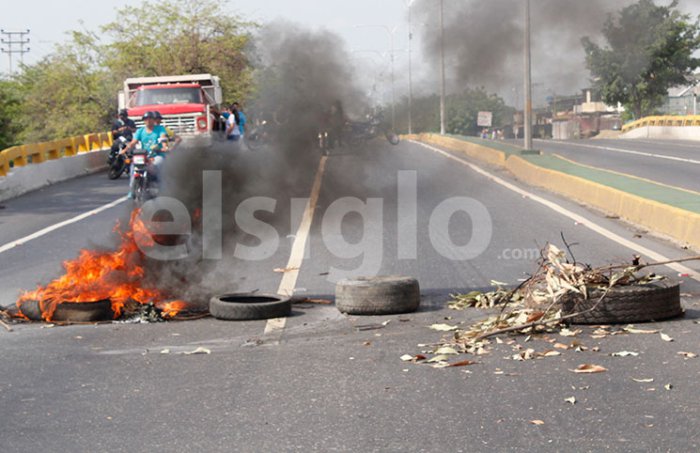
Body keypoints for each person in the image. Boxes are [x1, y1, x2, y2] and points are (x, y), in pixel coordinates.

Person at [121, 111, 169, 198]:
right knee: (133, 167)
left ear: (154, 120)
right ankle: (132, 189)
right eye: (146, 119)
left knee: (158, 165)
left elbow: (163, 138)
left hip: (156, 154)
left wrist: (164, 146)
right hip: (144, 155)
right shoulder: (140, 131)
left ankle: (162, 189)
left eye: (150, 119)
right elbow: (133, 142)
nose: (148, 121)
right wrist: (125, 149)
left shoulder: (160, 129)